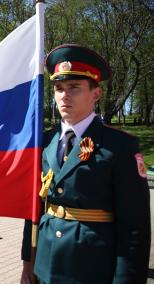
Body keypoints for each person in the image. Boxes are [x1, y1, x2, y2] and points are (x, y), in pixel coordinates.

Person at [21, 44, 151, 284]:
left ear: (96, 94)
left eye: (74, 88)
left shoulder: (120, 145)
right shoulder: (45, 141)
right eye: (59, 88)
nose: (64, 96)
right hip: (45, 265)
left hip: (91, 269)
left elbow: (135, 229)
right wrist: (28, 263)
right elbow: (34, 210)